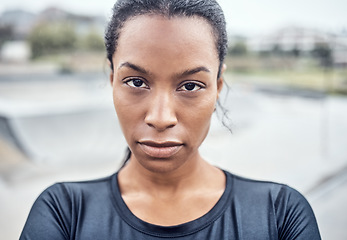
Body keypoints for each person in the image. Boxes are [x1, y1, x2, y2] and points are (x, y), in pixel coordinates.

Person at [20, 0, 321, 239]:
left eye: (190, 86)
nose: (160, 118)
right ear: (112, 80)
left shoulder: (279, 215)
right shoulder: (65, 213)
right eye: (136, 82)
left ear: (217, 86)